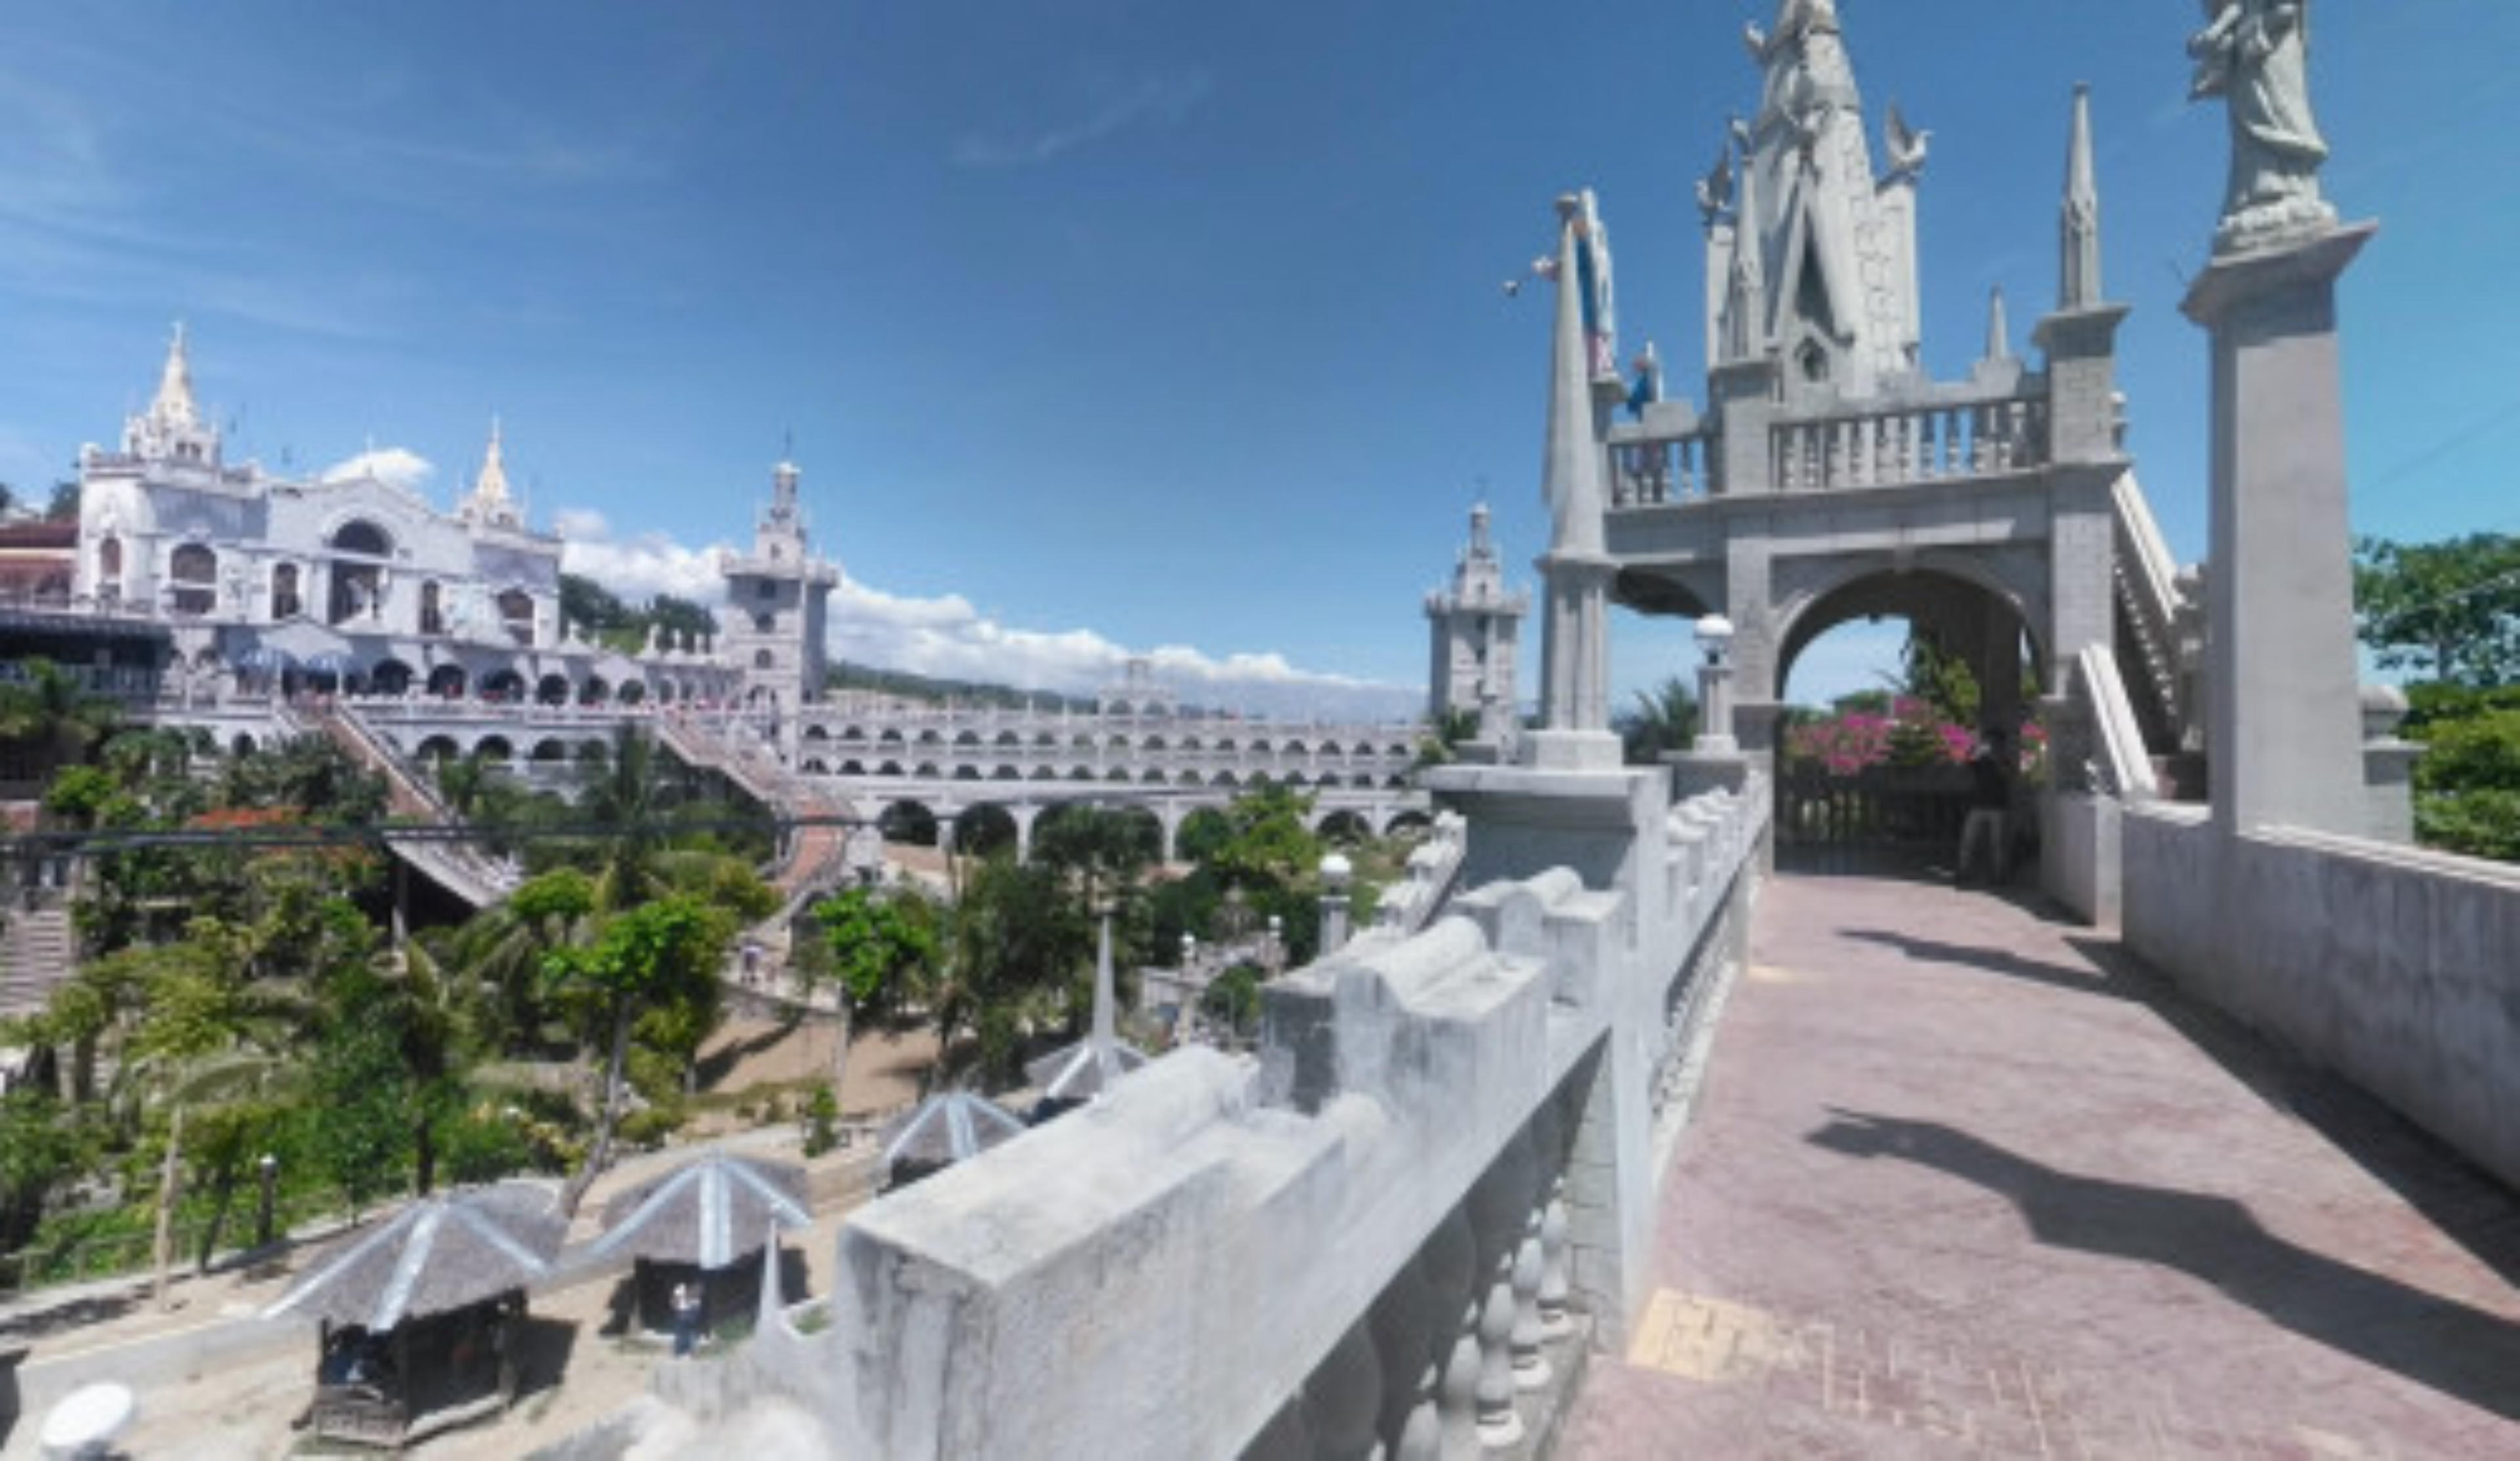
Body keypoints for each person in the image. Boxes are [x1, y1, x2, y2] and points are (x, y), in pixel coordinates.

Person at [1956, 730, 2012, 887]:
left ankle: (1999, 876)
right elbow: (1965, 764)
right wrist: (1974, 747)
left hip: (1998, 806)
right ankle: (1963, 872)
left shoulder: (2004, 760)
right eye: (1990, 742)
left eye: (1994, 743)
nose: (1992, 746)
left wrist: (1997, 759)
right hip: (1978, 805)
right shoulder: (1981, 760)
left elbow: (2008, 775)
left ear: (2001, 745)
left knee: (1997, 844)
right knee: (1968, 841)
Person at [669, 1281, 702, 1357]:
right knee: (689, 1334)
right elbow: (697, 1308)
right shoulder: (694, 1296)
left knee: (682, 1334)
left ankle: (679, 1352)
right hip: (688, 1315)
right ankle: (689, 1352)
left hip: (683, 1315)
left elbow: (674, 1304)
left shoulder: (683, 1294)